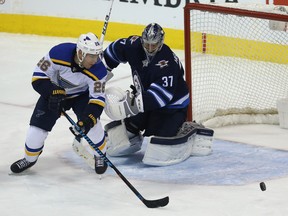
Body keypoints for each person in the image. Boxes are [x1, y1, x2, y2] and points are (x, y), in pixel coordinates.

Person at [103, 23, 214, 166]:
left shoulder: (167, 61)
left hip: (172, 107)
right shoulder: (134, 46)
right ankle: (138, 125)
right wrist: (100, 71)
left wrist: (129, 106)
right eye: (147, 44)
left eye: (153, 45)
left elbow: (161, 97)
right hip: (146, 100)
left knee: (158, 135)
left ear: (160, 43)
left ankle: (187, 128)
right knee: (131, 126)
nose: (149, 49)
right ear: (142, 40)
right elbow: (114, 50)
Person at [10, 32, 108, 174]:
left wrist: (87, 120)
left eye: (97, 55)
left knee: (93, 126)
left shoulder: (99, 71)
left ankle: (101, 155)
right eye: (91, 56)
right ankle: (29, 159)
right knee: (35, 131)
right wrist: (53, 92)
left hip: (81, 96)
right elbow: (38, 78)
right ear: (80, 53)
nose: (94, 60)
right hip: (54, 92)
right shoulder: (57, 53)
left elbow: (97, 100)